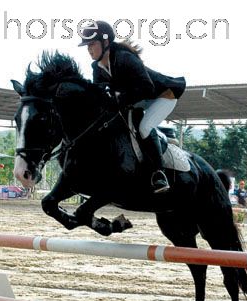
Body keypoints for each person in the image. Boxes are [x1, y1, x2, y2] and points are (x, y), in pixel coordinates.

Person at [78, 21, 186, 193]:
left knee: (144, 127)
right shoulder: (96, 67)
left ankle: (159, 173)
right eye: (87, 46)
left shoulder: (124, 58)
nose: (89, 49)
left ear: (105, 43)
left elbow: (147, 87)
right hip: (138, 98)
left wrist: (119, 97)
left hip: (163, 95)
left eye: (92, 44)